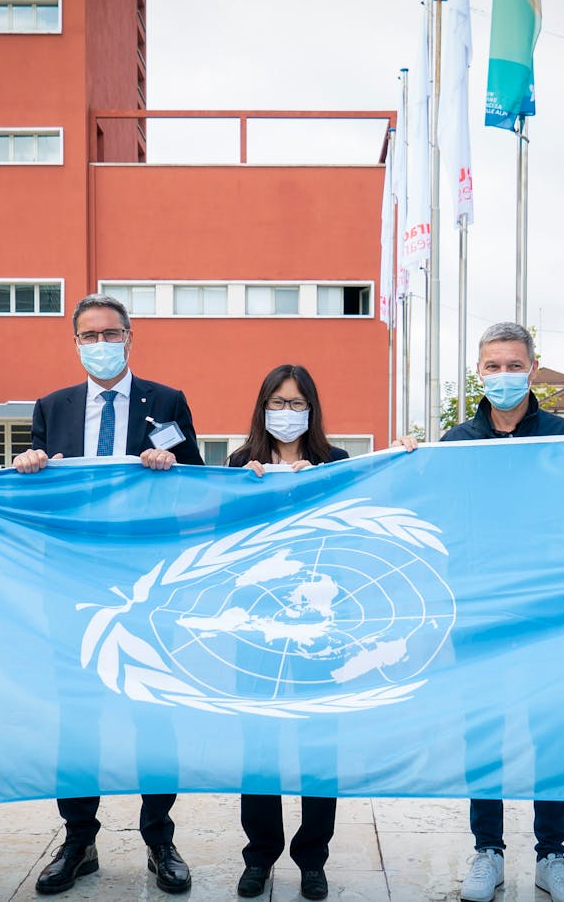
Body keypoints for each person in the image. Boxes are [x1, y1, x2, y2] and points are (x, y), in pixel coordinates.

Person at [13, 293, 202, 895]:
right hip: (70, 583)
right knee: (77, 715)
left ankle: (159, 839)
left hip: (147, 583)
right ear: (75, 343)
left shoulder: (166, 401)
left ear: (129, 335)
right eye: (89, 335)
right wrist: (31, 465)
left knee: (152, 708)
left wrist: (169, 460)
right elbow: (38, 503)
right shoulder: (52, 407)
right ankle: (78, 840)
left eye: (110, 333)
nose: (101, 344)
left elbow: (195, 477)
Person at [443, 322, 564, 902]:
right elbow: (436, 518)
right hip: (482, 613)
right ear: (478, 372)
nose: (502, 376)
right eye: (491, 366)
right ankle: (486, 851)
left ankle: (552, 855)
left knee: (551, 734)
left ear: (533, 367)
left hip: (550, 613)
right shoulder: (456, 442)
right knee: (483, 734)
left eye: (512, 364)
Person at [226, 364, 346, 902]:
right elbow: (223, 546)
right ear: (262, 406)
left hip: (320, 628)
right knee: (260, 747)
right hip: (257, 630)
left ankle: (312, 857)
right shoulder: (237, 464)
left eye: (298, 404)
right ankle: (260, 854)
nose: (287, 413)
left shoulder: (338, 464)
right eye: (278, 401)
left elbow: (352, 539)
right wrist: (249, 496)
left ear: (313, 410)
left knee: (319, 744)